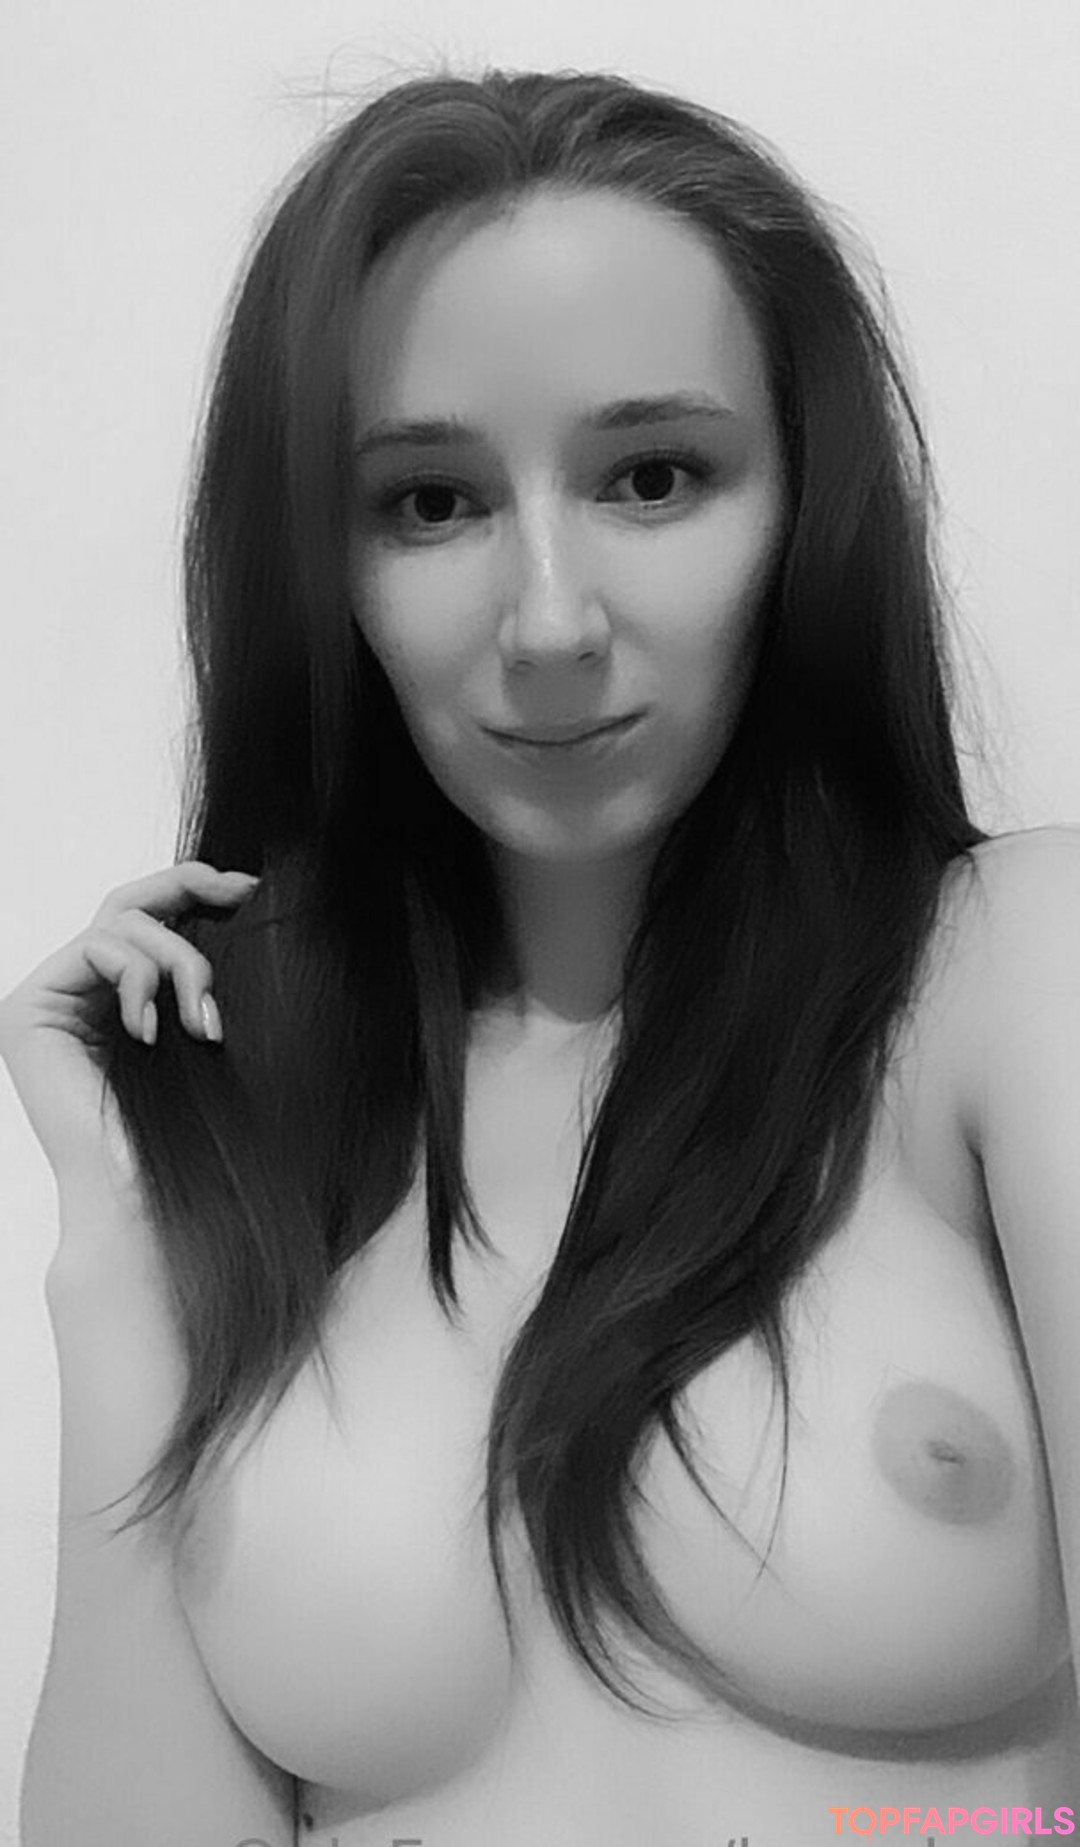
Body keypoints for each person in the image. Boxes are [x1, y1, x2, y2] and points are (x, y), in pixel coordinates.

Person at [3, 64, 1078, 1847]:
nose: (553, 621)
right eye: (431, 503)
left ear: (803, 508)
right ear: (322, 568)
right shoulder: (283, 1149)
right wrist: (124, 1232)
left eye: (654, 477)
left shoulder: (1015, 977)